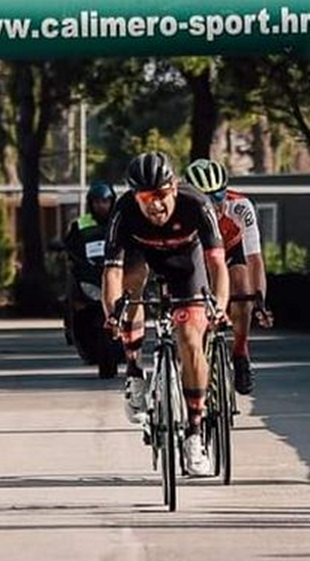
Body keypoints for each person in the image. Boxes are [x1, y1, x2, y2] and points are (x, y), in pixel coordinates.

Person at [102, 150, 229, 477]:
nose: (154, 204)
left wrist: (220, 305)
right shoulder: (124, 211)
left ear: (173, 187)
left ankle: (194, 436)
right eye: (145, 197)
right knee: (129, 291)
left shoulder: (196, 204)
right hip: (142, 257)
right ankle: (134, 374)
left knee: (189, 339)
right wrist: (113, 313)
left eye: (160, 194)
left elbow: (217, 264)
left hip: (189, 264)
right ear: (134, 196)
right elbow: (112, 273)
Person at [185, 158, 274, 395]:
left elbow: (255, 258)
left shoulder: (240, 207)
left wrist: (259, 300)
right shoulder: (182, 210)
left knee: (242, 284)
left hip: (230, 249)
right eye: (206, 198)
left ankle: (241, 352)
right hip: (198, 253)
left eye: (219, 195)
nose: (215, 204)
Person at [62, 180, 121, 377]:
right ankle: (71, 327)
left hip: (115, 274)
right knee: (72, 293)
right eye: (97, 202)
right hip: (89, 275)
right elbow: (70, 247)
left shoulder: (120, 222)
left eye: (105, 201)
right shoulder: (80, 225)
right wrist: (74, 260)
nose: (101, 205)